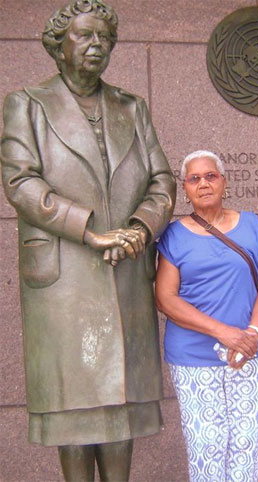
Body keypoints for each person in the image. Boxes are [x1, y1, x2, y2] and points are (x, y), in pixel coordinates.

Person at [0, 1, 176, 480]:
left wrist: (140, 229)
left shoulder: (131, 107)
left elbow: (162, 181)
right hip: (64, 277)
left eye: (104, 37)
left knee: (120, 401)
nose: (96, 45)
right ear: (59, 47)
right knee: (73, 402)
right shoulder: (28, 104)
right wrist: (88, 229)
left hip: (126, 267)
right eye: (84, 36)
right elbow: (19, 182)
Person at [156, 150, 258, 482]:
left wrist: (251, 332)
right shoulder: (173, 235)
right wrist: (223, 332)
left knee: (244, 442)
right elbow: (165, 298)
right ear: (185, 189)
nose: (204, 183)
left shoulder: (251, 224)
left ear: (224, 182)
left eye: (211, 175)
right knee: (206, 445)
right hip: (194, 356)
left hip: (250, 351)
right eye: (194, 178)